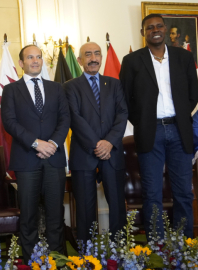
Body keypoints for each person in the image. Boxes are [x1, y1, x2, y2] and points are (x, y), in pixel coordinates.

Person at [119, 14, 198, 239]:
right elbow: (125, 99)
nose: (155, 30)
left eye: (158, 26)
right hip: (149, 132)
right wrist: (143, 121)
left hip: (179, 130)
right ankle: (158, 244)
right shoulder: (132, 61)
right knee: (152, 192)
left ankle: (185, 242)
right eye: (149, 27)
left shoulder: (183, 57)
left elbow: (192, 95)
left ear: (165, 29)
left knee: (183, 191)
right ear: (143, 33)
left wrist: (181, 116)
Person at [1, 45, 70, 262]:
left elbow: (65, 119)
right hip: (26, 159)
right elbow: (9, 122)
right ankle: (31, 260)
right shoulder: (11, 90)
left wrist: (52, 143)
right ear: (21, 63)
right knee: (28, 215)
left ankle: (57, 258)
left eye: (38, 57)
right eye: (30, 57)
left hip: (54, 158)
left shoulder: (56, 88)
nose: (35, 60)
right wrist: (35, 143)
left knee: (55, 214)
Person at [63, 42, 128, 242]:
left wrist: (108, 142)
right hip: (84, 154)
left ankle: (120, 248)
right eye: (88, 54)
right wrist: (97, 145)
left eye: (97, 54)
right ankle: (86, 251)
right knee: (85, 207)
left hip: (112, 153)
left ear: (101, 58)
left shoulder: (115, 84)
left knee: (117, 204)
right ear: (80, 60)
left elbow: (122, 114)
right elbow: (74, 118)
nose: (93, 58)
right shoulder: (70, 86)